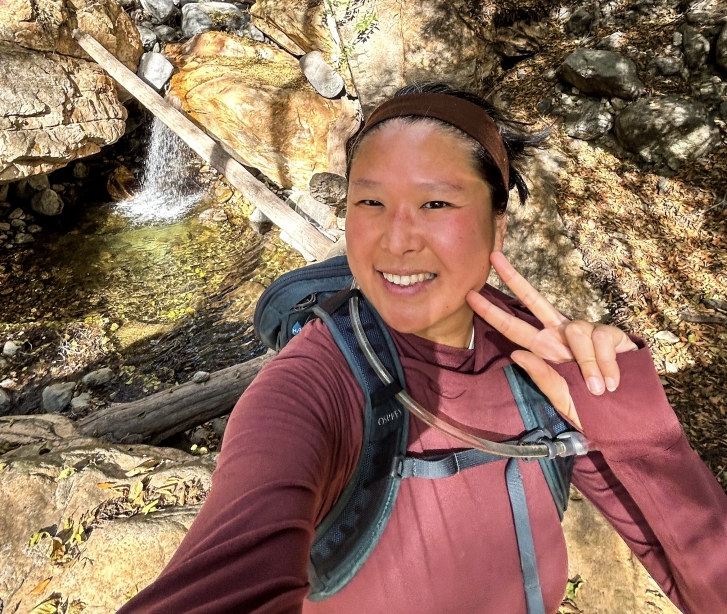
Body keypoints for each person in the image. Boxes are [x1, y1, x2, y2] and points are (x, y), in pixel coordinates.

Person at [118, 84, 727, 614]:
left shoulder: (544, 369)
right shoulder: (310, 389)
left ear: (497, 226)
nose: (397, 239)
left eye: (436, 203)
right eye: (370, 203)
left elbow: (703, 579)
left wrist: (637, 432)